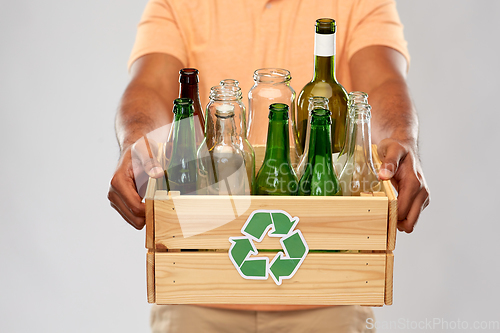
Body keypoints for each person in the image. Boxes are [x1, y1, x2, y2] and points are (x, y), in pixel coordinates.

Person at [108, 0, 430, 331]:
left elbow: (381, 83)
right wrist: (136, 140)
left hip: (326, 291)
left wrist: (401, 137)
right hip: (199, 285)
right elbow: (150, 84)